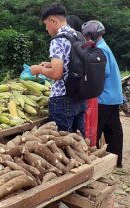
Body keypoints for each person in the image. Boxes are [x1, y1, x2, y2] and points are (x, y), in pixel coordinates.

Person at [30, 3, 86, 135]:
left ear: (53, 21)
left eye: (46, 24)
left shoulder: (58, 40)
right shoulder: (78, 36)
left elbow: (56, 74)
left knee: (63, 145)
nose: (46, 29)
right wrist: (50, 64)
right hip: (79, 96)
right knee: (79, 143)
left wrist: (39, 69)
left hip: (63, 99)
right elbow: (73, 63)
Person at [82, 20, 124, 167]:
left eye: (86, 36)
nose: (86, 39)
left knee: (96, 131)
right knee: (113, 130)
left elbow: (102, 72)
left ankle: (97, 163)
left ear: (91, 35)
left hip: (104, 97)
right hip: (113, 95)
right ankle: (116, 162)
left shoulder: (100, 49)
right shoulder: (103, 46)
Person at [66, 15, 98, 146]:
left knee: (72, 133)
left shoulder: (71, 43)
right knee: (82, 130)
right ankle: (87, 150)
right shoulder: (85, 44)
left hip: (77, 93)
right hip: (87, 93)